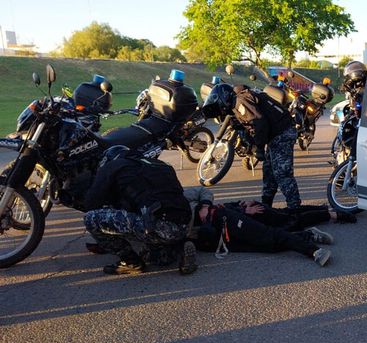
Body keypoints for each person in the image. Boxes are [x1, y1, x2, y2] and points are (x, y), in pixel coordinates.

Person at [83, 146, 197, 275]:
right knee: (156, 258)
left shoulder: (113, 166)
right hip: (183, 224)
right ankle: (180, 247)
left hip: (156, 225)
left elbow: (91, 203)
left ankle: (131, 263)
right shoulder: (162, 165)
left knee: (90, 218)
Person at [183, 186, 349, 267]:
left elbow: (203, 191)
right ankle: (307, 235)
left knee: (280, 225)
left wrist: (205, 206)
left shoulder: (176, 196)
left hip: (221, 218)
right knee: (269, 246)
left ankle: (313, 251)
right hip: (210, 239)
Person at [201, 83, 301, 209]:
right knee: (269, 172)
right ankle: (266, 205)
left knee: (282, 173)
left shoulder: (240, 101)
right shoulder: (240, 99)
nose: (221, 110)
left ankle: (295, 208)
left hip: (282, 133)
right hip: (276, 135)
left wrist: (259, 147)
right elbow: (254, 123)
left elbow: (260, 123)